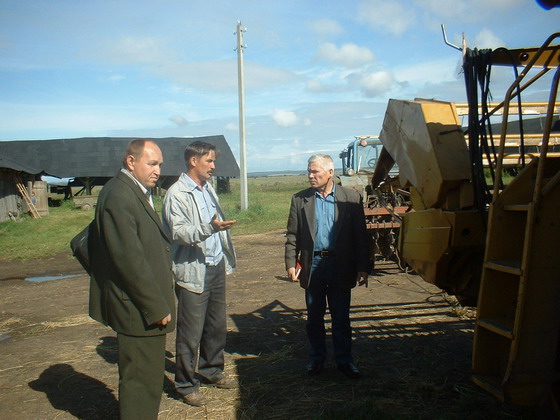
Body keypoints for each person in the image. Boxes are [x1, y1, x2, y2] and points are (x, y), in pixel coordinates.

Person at [88, 139, 176, 419]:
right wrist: (156, 306)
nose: (158, 170)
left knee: (148, 379)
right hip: (138, 309)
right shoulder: (119, 195)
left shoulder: (132, 191)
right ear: (130, 162)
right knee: (140, 382)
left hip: (141, 307)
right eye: (152, 163)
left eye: (159, 164)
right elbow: (129, 261)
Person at [162, 141, 237, 407]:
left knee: (216, 326)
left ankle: (211, 371)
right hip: (193, 271)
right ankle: (184, 384)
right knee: (190, 333)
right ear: (193, 161)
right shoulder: (177, 194)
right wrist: (210, 228)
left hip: (215, 266)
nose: (214, 167)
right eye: (209, 161)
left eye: (214, 161)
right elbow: (178, 233)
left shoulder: (208, 190)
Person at [285, 154, 371, 379]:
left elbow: (360, 236)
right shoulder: (300, 199)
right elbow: (292, 235)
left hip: (339, 265)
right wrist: (290, 263)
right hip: (313, 265)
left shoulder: (350, 198)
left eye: (316, 172)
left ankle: (345, 361)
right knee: (314, 317)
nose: (311, 176)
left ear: (330, 173)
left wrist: (363, 267)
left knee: (341, 317)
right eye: (309, 171)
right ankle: (316, 359)